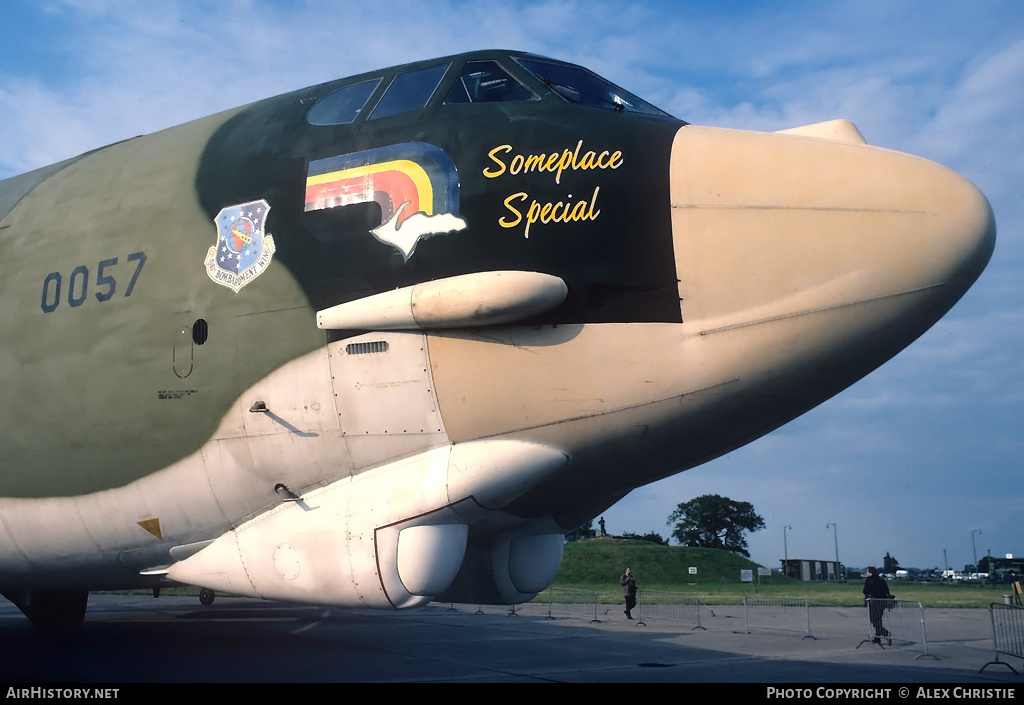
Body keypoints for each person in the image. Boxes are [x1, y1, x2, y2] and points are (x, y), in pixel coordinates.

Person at [863, 566, 893, 643]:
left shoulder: (869, 580)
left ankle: (885, 633)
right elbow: (887, 590)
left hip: (873, 602)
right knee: (878, 620)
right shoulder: (881, 580)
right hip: (882, 602)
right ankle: (877, 638)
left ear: (870, 572)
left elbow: (865, 591)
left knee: (874, 620)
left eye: (867, 572)